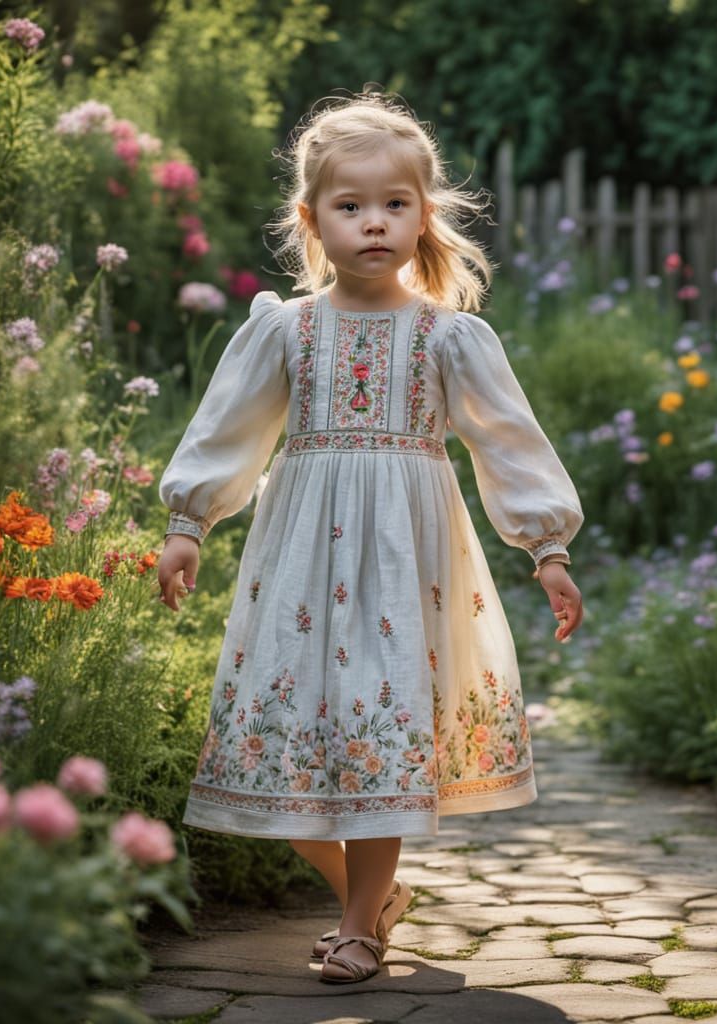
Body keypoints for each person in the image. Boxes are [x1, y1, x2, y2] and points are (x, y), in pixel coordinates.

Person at [156, 90, 584, 984]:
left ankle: (359, 926)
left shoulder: (446, 337)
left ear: (424, 215)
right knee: (292, 748)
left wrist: (548, 550)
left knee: (378, 729)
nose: (375, 223)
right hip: (302, 561)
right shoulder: (288, 330)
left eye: (394, 204)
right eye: (351, 207)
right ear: (313, 221)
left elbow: (509, 442)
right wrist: (189, 523)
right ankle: (372, 895)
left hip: (403, 567)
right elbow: (229, 428)